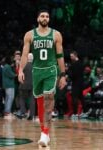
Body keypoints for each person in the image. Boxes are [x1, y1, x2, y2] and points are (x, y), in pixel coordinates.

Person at [18, 9, 66, 147]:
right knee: (39, 102)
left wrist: (62, 74)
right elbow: (25, 55)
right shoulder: (29, 35)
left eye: (47, 16)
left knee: (49, 97)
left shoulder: (56, 34)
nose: (45, 18)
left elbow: (60, 56)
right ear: (38, 18)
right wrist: (21, 69)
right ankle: (44, 132)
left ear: (49, 19)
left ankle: (45, 133)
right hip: (37, 71)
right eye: (42, 16)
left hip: (51, 70)